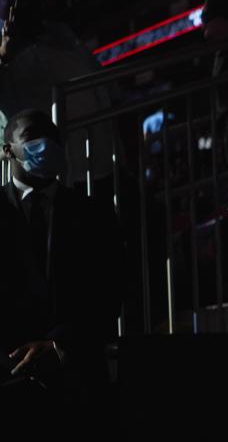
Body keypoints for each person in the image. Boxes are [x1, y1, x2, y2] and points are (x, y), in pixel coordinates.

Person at [0, 109, 123, 438]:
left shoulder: (93, 214)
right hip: (7, 381)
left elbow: (110, 291)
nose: (47, 145)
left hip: (79, 382)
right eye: (32, 137)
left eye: (53, 138)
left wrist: (60, 344)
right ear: (7, 149)